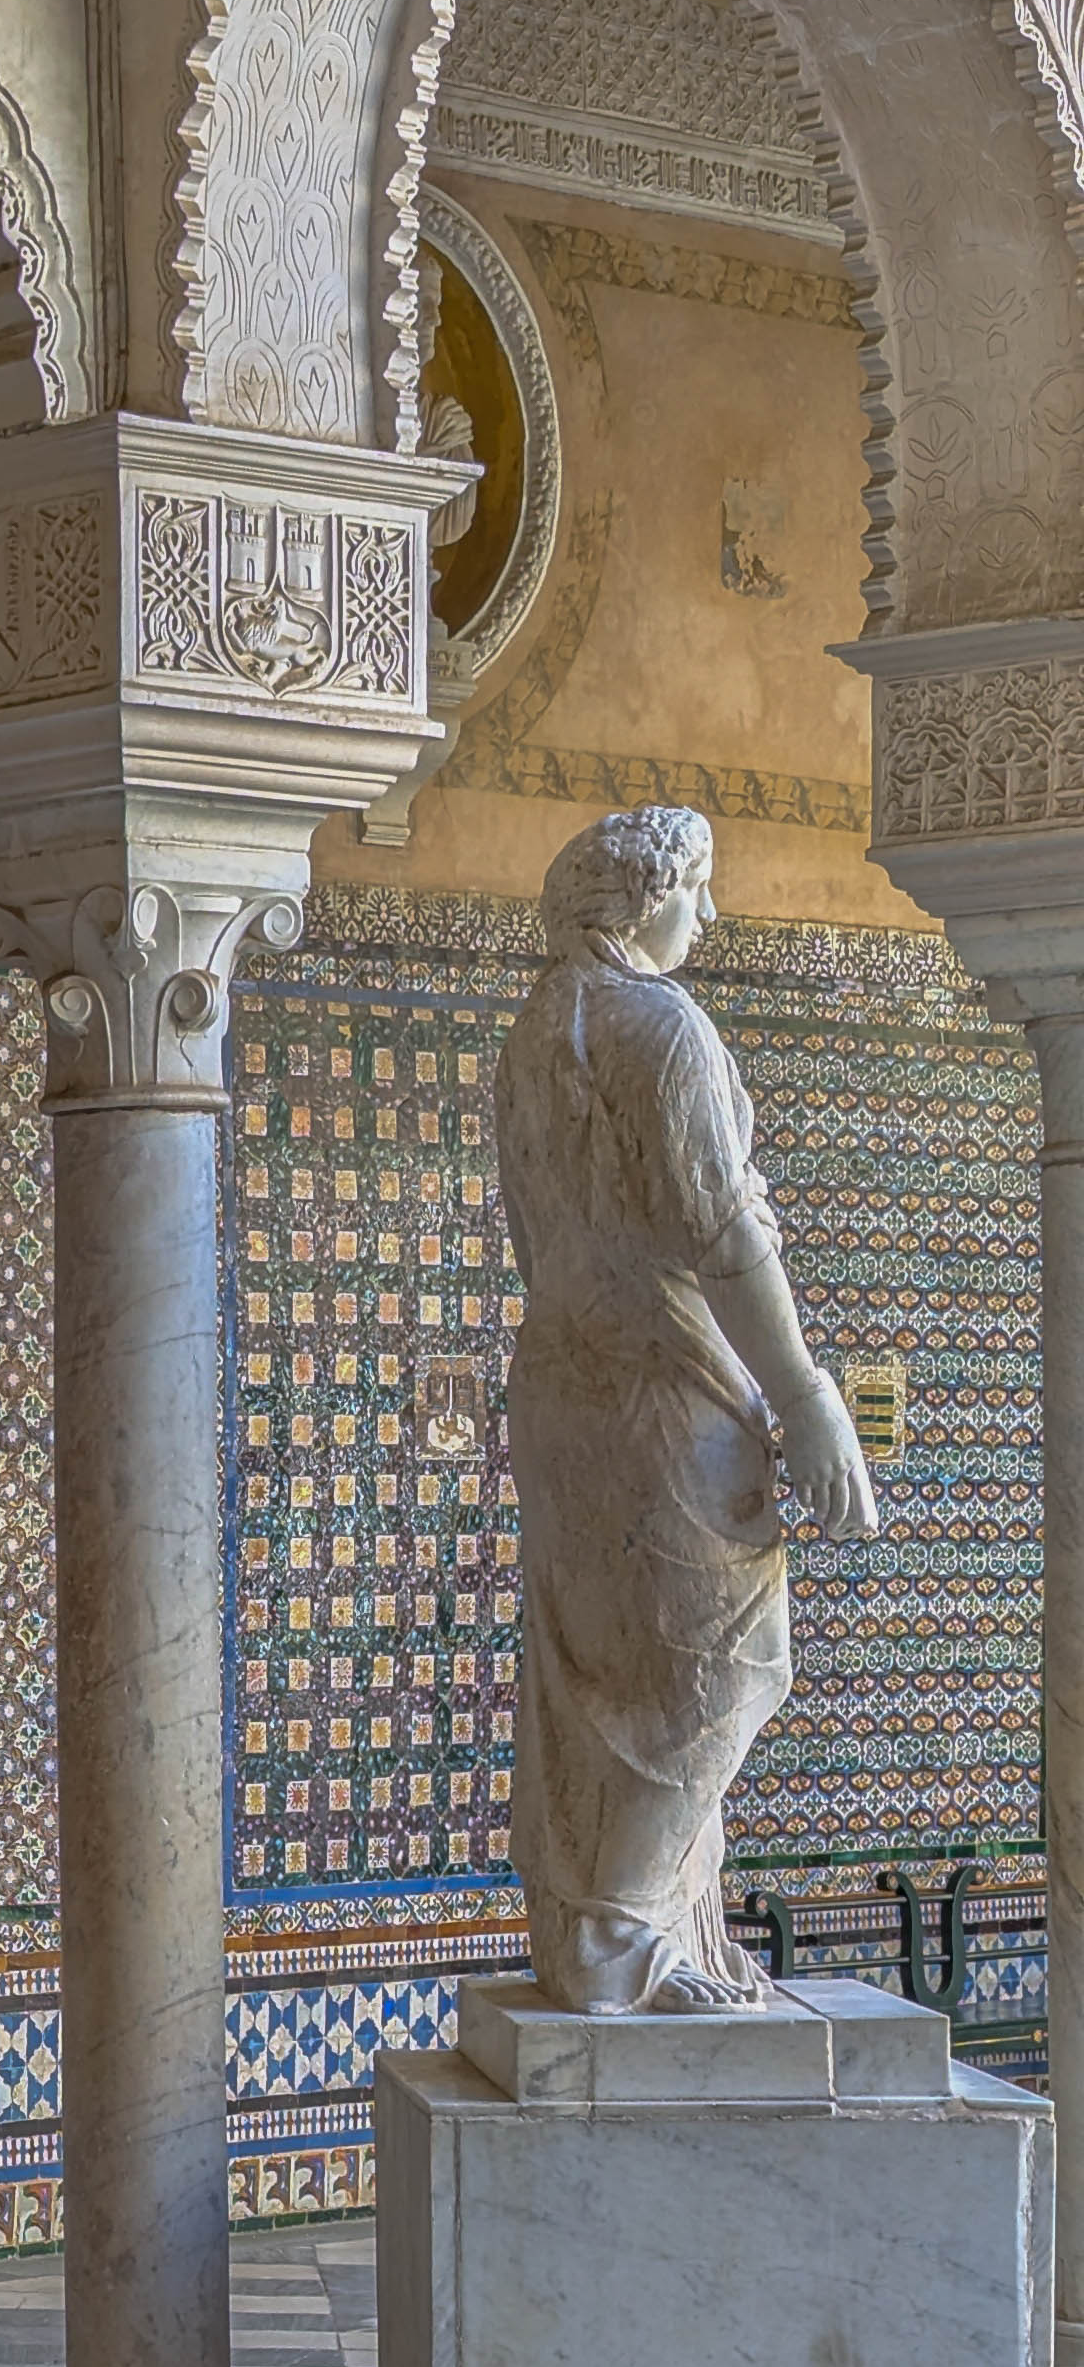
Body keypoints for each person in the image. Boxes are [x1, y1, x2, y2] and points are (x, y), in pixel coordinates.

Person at [495, 803, 879, 2013]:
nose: (707, 914)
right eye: (696, 890)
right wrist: (807, 1397)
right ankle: (625, 1944)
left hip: (564, 1390)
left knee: (600, 1662)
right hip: (666, 1396)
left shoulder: (530, 1034)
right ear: (645, 895)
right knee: (710, 1668)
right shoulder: (661, 1028)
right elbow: (725, 1234)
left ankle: (660, 1930)